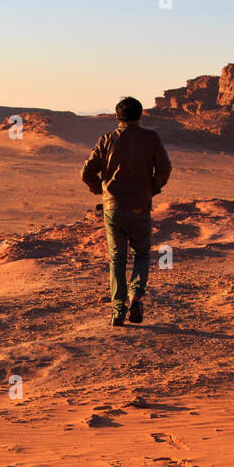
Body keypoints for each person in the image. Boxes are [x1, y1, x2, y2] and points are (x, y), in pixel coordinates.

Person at [80, 97, 172, 326]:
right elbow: (165, 169)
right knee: (141, 254)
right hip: (140, 206)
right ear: (140, 115)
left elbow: (86, 173)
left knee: (117, 259)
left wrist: (101, 189)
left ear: (117, 117)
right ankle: (136, 297)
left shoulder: (106, 140)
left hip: (113, 208)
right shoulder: (151, 138)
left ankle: (118, 310)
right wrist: (152, 188)